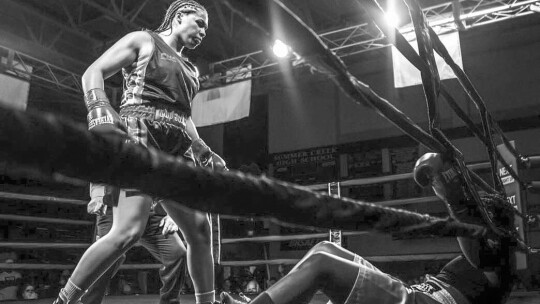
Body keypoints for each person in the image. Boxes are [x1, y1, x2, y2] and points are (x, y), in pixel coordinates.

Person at [53, 1, 226, 304]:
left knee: (200, 231)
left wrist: (202, 148)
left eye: (206, 30)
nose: (202, 32)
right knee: (127, 232)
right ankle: (64, 300)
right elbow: (93, 72)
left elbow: (183, 117)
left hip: (177, 148)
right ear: (179, 15)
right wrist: (98, 106)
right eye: (198, 23)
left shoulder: (191, 70)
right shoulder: (144, 40)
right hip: (141, 135)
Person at [221, 152, 517, 304]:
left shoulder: (500, 261)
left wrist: (456, 201)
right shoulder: (476, 253)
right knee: (324, 248)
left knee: (323, 264)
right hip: (412, 294)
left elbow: (483, 255)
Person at [81, 201, 187, 304]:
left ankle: (169, 302)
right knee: (108, 256)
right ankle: (87, 301)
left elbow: (172, 185)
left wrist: (172, 213)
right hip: (114, 207)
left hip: (148, 211)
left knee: (176, 253)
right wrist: (98, 196)